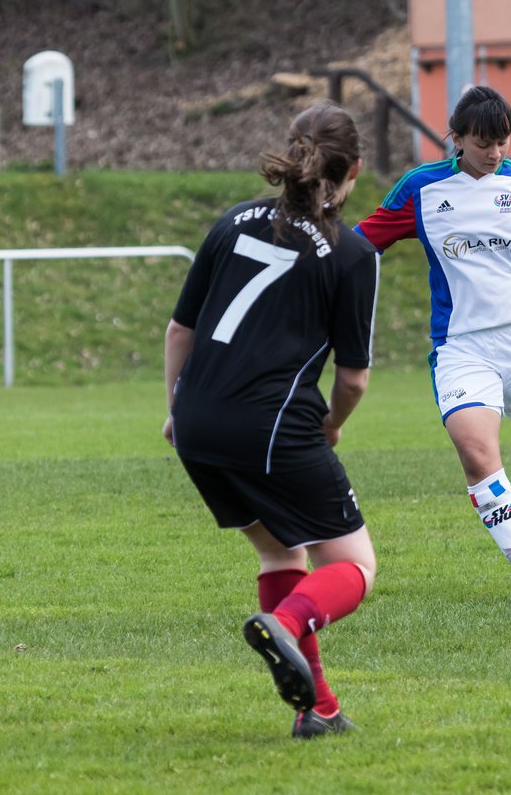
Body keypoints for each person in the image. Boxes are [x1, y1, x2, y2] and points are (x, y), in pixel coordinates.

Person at [162, 103, 380, 738]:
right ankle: (286, 623)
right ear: (354, 170)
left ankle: (320, 708)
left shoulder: (232, 221)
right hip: (272, 427)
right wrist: (333, 424)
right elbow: (353, 377)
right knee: (356, 566)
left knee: (278, 548)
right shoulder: (351, 250)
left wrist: (176, 410)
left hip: (198, 427)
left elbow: (181, 329)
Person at [356, 85, 511, 602]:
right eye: (482, 143)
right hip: (461, 345)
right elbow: (361, 242)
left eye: (502, 142)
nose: (494, 152)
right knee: (476, 451)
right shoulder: (422, 189)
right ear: (456, 137)